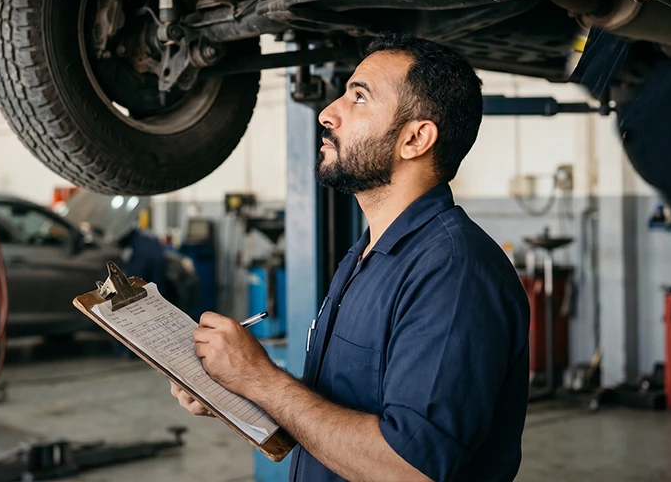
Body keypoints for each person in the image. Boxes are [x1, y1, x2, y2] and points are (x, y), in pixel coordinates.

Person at [171, 33, 530, 482]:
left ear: (415, 138)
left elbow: (410, 468)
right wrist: (235, 387)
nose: (327, 113)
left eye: (358, 98)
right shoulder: (367, 254)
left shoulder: (454, 272)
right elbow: (335, 411)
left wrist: (261, 379)